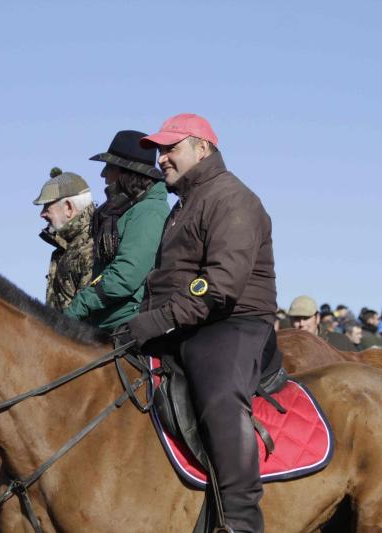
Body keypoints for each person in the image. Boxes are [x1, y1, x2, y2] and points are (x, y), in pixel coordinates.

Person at [123, 114, 281, 532]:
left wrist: (159, 320)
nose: (162, 159)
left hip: (234, 322)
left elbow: (221, 285)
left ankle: (240, 521)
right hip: (188, 322)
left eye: (170, 148)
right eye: (159, 151)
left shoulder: (232, 198)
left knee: (219, 398)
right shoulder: (187, 204)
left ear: (202, 148)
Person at [64, 130, 170, 330]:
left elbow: (126, 275)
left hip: (128, 326)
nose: (103, 174)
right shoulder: (125, 210)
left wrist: (79, 306)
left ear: (126, 173)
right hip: (106, 323)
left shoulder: (149, 212)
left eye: (109, 167)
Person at [34, 168, 95, 311]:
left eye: (47, 206)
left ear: (68, 207)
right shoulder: (64, 250)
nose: (42, 214)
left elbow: (88, 317)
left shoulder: (92, 247)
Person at [289, 296, 356, 351]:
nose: (302, 324)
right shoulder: (283, 347)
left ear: (317, 318)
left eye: (306, 318)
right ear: (290, 321)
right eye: (296, 319)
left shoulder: (340, 342)